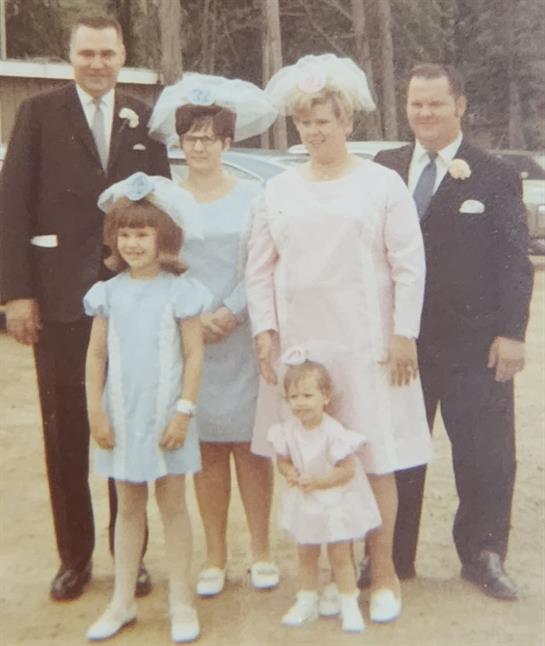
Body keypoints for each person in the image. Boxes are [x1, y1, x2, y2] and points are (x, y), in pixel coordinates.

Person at [246, 54, 432, 623]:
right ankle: (332, 575)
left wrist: (404, 333)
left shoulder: (382, 184)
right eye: (305, 122)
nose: (316, 131)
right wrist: (265, 329)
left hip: (367, 341)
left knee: (374, 457)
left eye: (325, 120)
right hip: (305, 345)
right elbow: (258, 268)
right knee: (313, 451)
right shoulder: (277, 190)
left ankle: (382, 576)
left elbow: (409, 264)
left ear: (347, 121)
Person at [0, 15, 170, 601]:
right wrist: (16, 294)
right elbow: (12, 207)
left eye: (107, 52)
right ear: (69, 56)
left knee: (130, 426)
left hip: (133, 302)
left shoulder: (147, 118)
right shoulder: (38, 114)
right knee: (65, 431)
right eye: (86, 53)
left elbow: (166, 206)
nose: (97, 63)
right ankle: (74, 557)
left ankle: (132, 557)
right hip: (59, 303)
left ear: (123, 55)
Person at [374, 64, 533, 600]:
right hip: (402, 342)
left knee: (485, 453)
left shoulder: (493, 172)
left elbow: (515, 261)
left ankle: (483, 554)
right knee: (399, 451)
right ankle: (391, 558)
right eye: (416, 104)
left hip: (474, 342)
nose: (424, 114)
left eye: (435, 104)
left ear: (460, 105)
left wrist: (512, 332)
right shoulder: (385, 167)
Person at [148, 73, 279, 595]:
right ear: (180, 143)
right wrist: (194, 318)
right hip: (192, 339)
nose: (199, 146)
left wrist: (232, 311)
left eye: (209, 136)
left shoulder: (255, 195)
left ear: (228, 141)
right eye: (190, 137)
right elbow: (161, 265)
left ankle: (262, 552)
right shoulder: (167, 199)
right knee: (205, 452)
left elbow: (263, 262)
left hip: (241, 336)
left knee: (249, 447)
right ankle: (215, 558)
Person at [84, 173, 210, 642]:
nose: (133, 243)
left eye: (143, 233)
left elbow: (194, 356)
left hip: (166, 418)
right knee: (128, 504)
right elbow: (96, 356)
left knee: (173, 503)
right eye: (125, 234)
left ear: (165, 237)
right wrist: (96, 412)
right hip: (121, 415)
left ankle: (180, 601)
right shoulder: (108, 293)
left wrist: (183, 412)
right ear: (114, 238)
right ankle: (121, 602)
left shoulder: (181, 292)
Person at [269, 347, 381, 633]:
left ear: (325, 397)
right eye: (294, 397)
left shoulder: (333, 432)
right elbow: (283, 460)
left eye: (308, 396)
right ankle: (306, 600)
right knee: (305, 554)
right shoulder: (288, 430)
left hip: (333, 502)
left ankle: (349, 604)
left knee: (339, 556)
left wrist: (319, 482)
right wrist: (289, 472)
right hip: (306, 503)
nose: (300, 404)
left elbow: (347, 470)